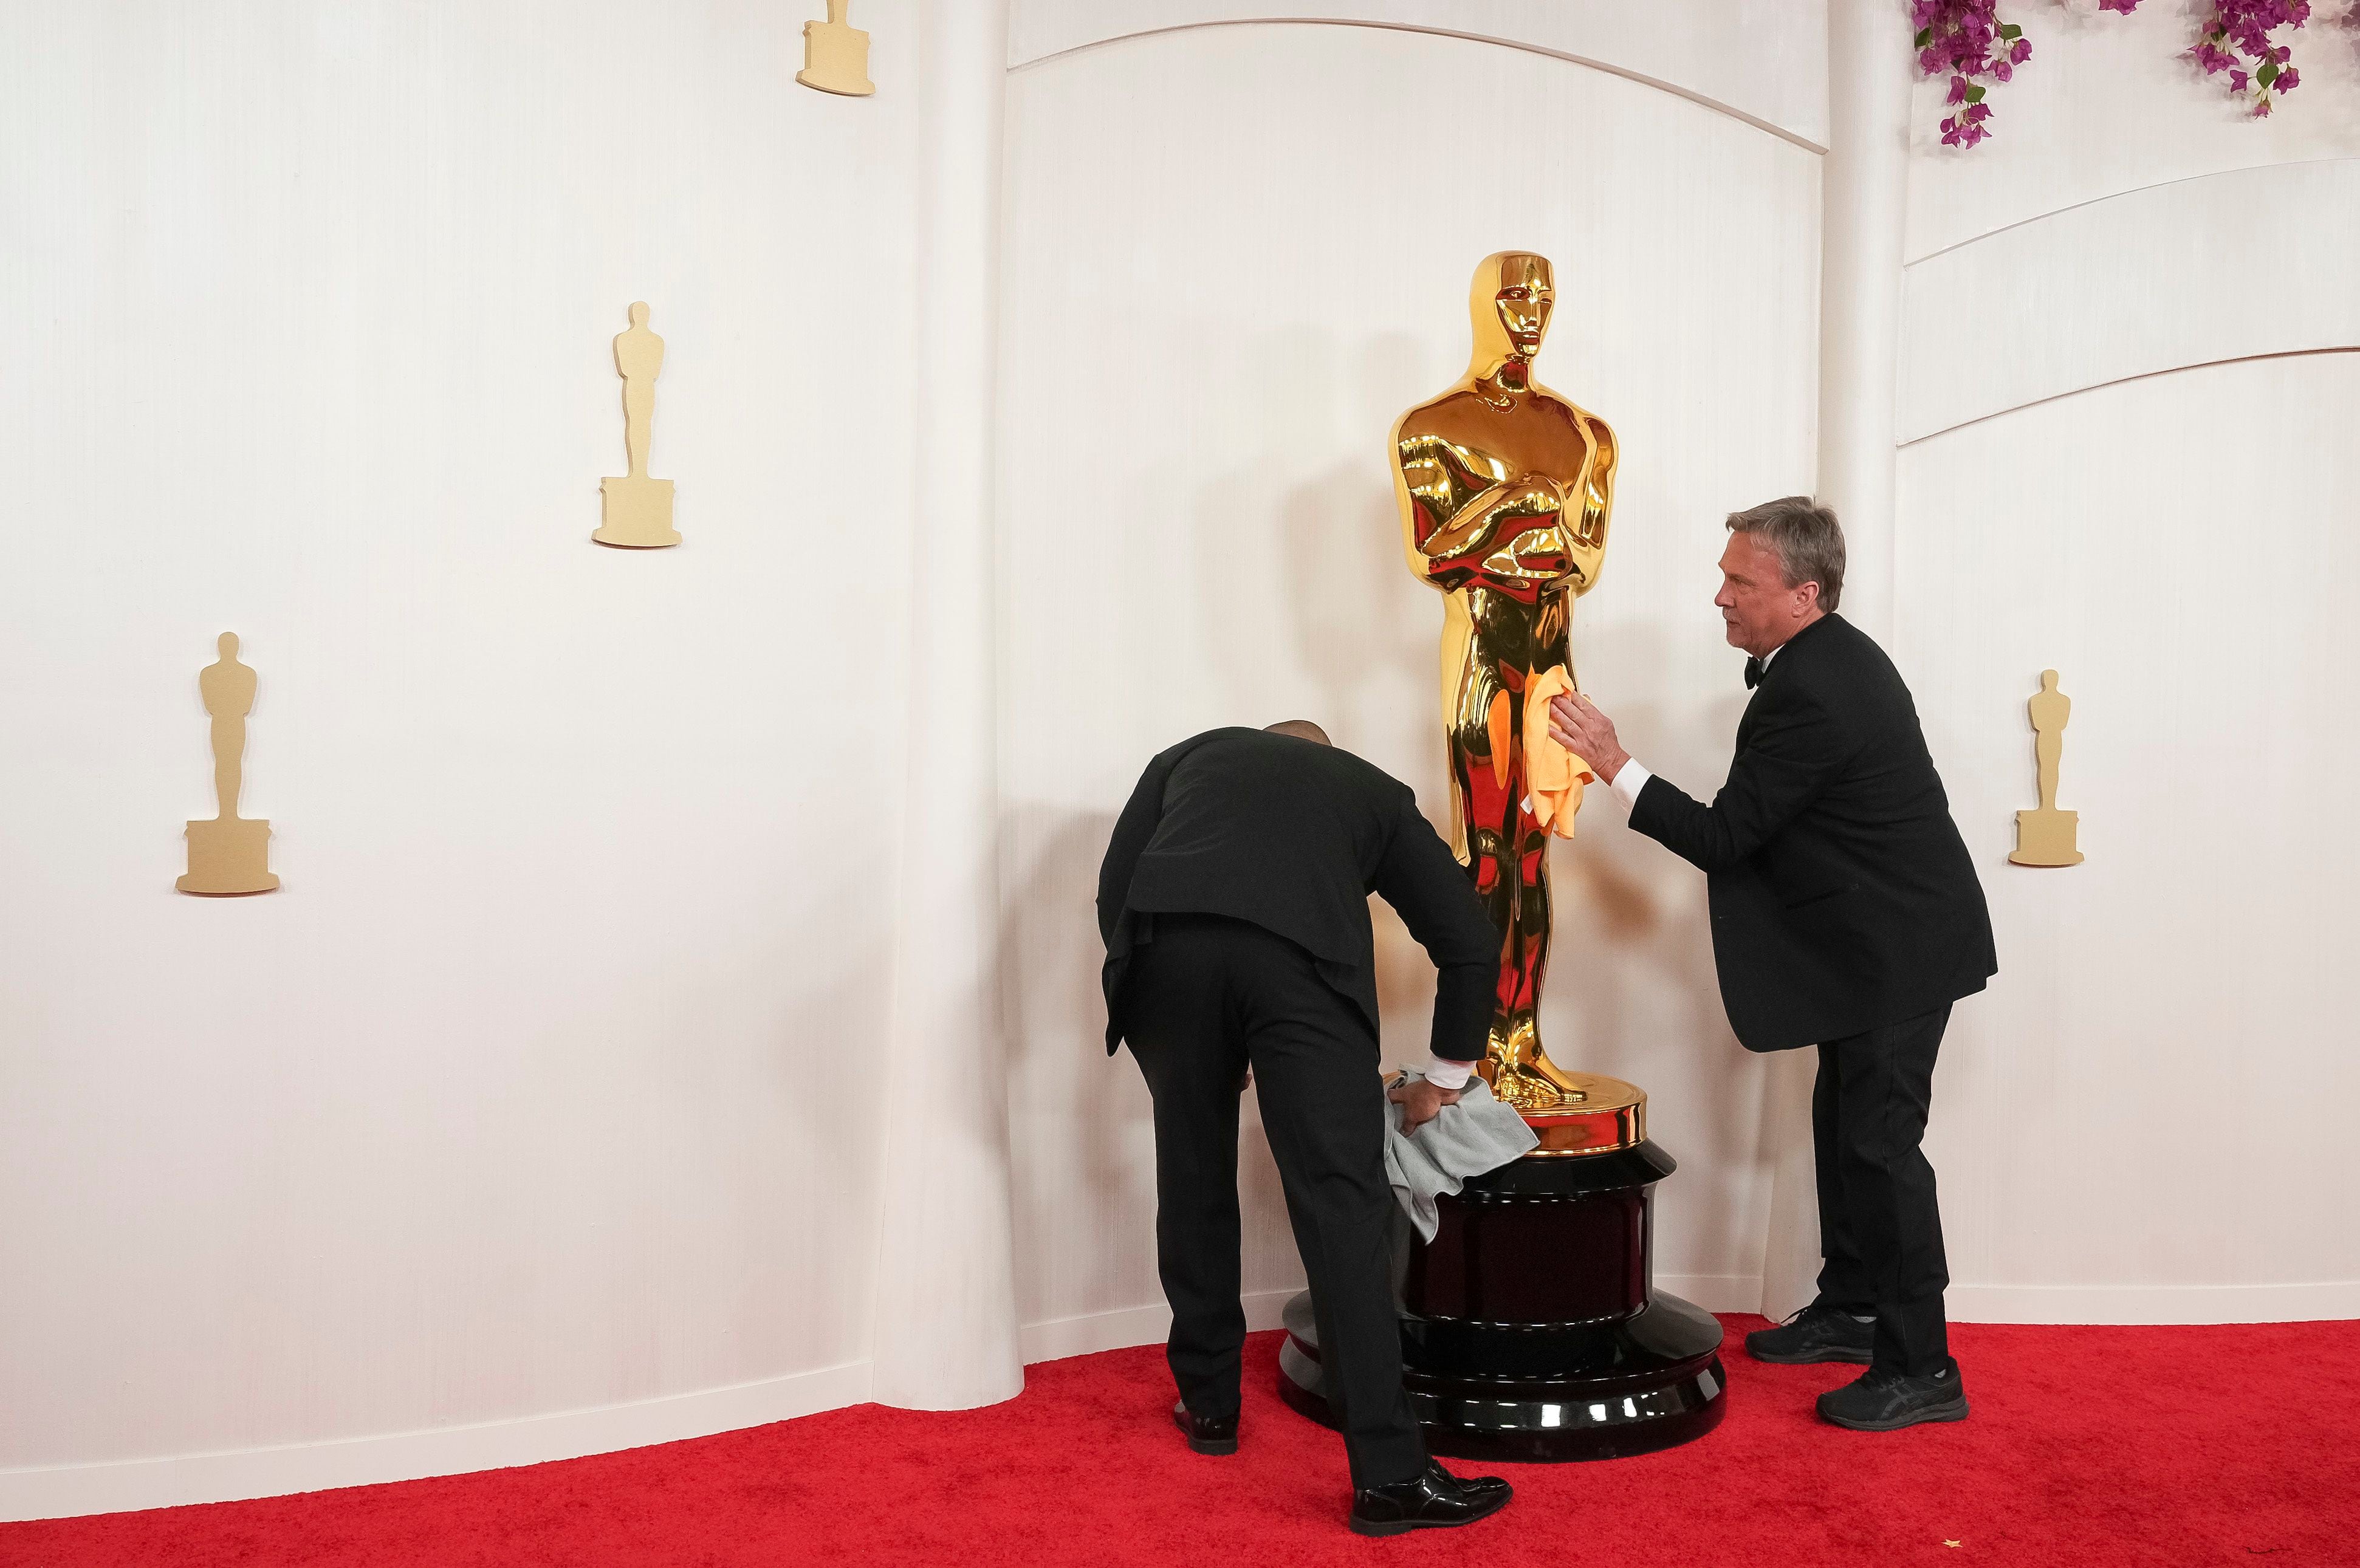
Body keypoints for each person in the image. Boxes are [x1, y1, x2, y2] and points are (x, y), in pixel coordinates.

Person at [1546, 497, 1995, 1432]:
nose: (1720, 595)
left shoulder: (1816, 686)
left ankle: (1924, 1365)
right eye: (1725, 575)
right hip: (1871, 947)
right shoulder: (1817, 661)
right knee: (1844, 1128)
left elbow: (1727, 835)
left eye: (1739, 581)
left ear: (1804, 593)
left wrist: (1615, 763)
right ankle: (1855, 1305)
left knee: (1880, 1150)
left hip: (1898, 952)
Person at [1099, 721, 1512, 1536]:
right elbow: (1468, 938)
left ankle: (1210, 1404)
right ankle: (1390, 1477)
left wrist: (1163, 995)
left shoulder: (1189, 755)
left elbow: (1118, 885)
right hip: (1300, 961)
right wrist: (1444, 1077)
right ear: (1323, 758)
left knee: (1192, 1172)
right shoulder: (1369, 790)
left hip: (1167, 949)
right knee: (1341, 1200)